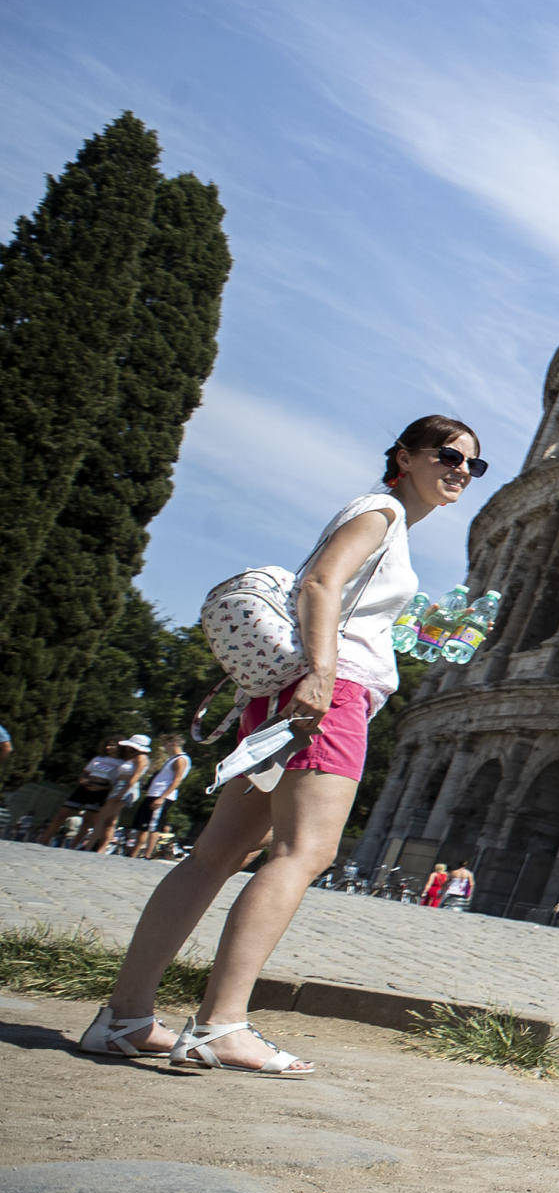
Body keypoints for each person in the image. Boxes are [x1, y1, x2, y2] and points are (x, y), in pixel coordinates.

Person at [82, 416, 480, 1074]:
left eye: (472, 464)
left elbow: (339, 593)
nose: (461, 470)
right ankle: (220, 1024)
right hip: (329, 694)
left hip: (291, 691)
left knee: (213, 855)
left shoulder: (389, 525)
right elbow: (320, 583)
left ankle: (124, 1018)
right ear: (405, 456)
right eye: (448, 455)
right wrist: (323, 674)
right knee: (303, 853)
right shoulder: (380, 512)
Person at [130, 743, 192, 859]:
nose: (165, 748)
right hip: (153, 793)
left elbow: (177, 780)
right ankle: (134, 852)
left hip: (161, 795)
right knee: (142, 825)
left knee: (153, 826)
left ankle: (148, 854)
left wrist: (162, 797)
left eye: (167, 745)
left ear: (173, 744)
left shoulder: (181, 759)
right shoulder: (172, 759)